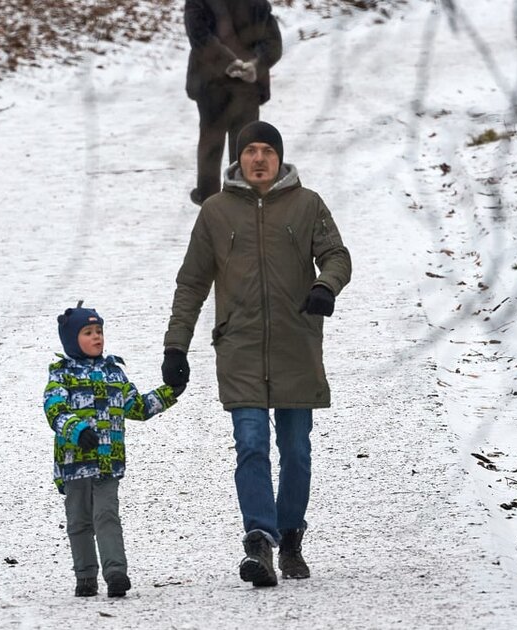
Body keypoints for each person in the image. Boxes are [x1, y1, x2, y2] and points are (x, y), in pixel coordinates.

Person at [162, 121, 351, 586]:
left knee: (296, 450)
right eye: (251, 151)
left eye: (268, 150)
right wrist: (175, 346)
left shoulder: (307, 204)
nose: (260, 159)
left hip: (296, 344)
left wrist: (326, 286)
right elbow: (191, 283)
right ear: (239, 158)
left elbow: (337, 255)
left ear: (280, 158)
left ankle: (290, 536)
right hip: (240, 347)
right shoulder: (215, 211)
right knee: (250, 445)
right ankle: (259, 541)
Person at [44, 303, 182, 597]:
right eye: (88, 332)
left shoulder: (113, 373)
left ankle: (116, 573)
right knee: (79, 521)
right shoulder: (62, 375)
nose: (97, 338)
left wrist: (170, 391)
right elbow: (54, 411)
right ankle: (85, 575)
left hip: (107, 463)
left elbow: (138, 407)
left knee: (107, 516)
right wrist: (77, 431)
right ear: (71, 339)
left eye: (99, 331)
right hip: (74, 464)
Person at [184, 0, 283, 206]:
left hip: (210, 80)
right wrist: (254, 65)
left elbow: (199, 36)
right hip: (248, 84)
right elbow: (273, 43)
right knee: (245, 141)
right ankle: (241, 196)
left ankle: (208, 196)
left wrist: (228, 62)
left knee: (212, 139)